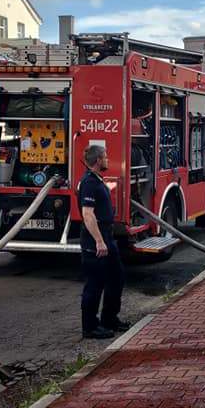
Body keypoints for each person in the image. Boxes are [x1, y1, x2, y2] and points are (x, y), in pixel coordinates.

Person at [77, 144, 131, 339]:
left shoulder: (98, 180)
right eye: (106, 157)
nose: (108, 159)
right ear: (98, 160)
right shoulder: (89, 183)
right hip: (95, 240)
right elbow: (87, 214)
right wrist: (99, 242)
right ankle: (90, 327)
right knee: (95, 283)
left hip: (107, 237)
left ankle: (109, 318)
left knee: (116, 278)